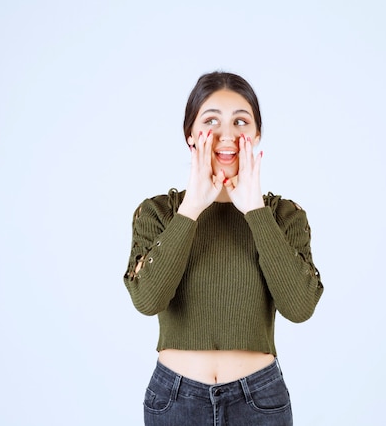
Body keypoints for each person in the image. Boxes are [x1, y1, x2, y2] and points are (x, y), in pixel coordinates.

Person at [123, 71, 323, 425]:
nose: (227, 135)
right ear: (190, 135)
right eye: (211, 120)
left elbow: (299, 307)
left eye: (241, 121)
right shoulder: (158, 212)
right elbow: (148, 300)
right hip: (175, 400)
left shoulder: (283, 216)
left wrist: (256, 212)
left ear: (257, 135)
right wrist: (191, 209)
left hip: (259, 399)